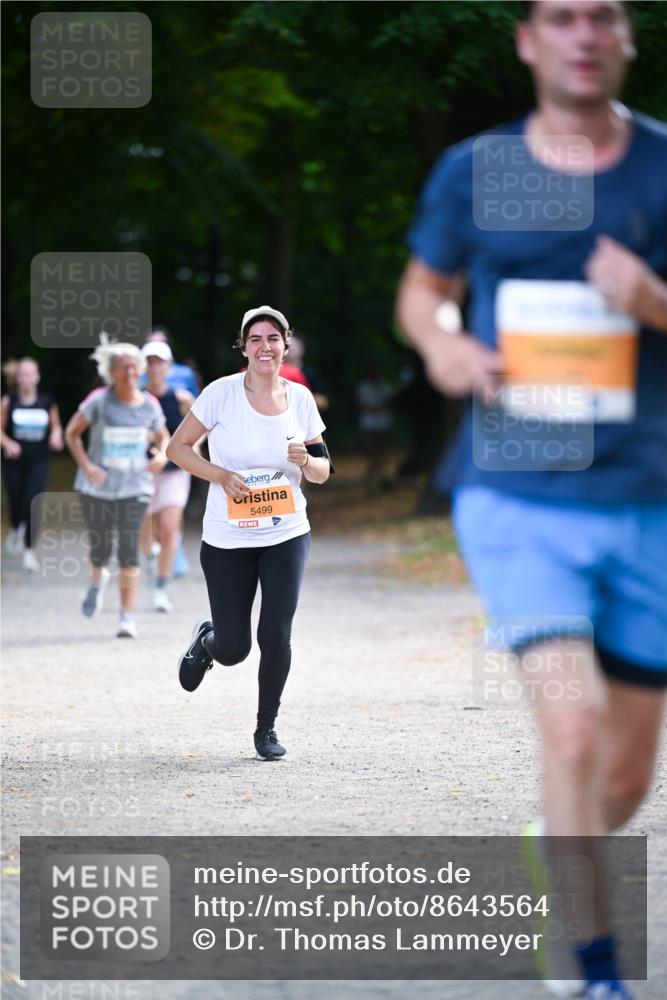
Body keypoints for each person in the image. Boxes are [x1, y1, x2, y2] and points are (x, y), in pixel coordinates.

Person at [396, 3, 666, 998]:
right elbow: (421, 292)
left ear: (627, 40)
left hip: (649, 497)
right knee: (575, 730)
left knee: (622, 779)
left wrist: (653, 303)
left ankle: (560, 842)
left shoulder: (661, 169)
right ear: (527, 42)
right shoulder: (478, 169)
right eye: (561, 17)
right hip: (518, 491)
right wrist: (445, 346)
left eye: (604, 17)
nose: (583, 33)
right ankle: (592, 969)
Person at [167, 306, 332, 760]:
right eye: (255, 338)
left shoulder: (300, 399)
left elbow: (321, 472)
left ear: (285, 344)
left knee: (275, 633)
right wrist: (219, 475)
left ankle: (266, 729)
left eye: (273, 338)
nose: (265, 346)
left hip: (286, 532)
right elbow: (177, 448)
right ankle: (209, 640)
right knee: (235, 649)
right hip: (228, 538)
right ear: (244, 347)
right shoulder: (220, 394)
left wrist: (305, 460)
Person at [65, 338, 169, 638]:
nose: (131, 372)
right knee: (100, 549)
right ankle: (96, 583)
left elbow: (163, 436)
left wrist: (161, 455)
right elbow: (72, 434)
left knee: (128, 552)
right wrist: (87, 466)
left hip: (135, 487)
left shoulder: (149, 404)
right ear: (112, 372)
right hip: (97, 487)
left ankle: (126, 616)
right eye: (124, 368)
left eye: (135, 367)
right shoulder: (99, 401)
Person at [139, 340, 194, 613]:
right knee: (146, 534)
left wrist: (195, 452)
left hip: (174, 472)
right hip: (141, 474)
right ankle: (150, 557)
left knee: (169, 530)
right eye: (149, 362)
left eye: (159, 362)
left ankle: (161, 588)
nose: (154, 367)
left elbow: (200, 430)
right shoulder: (134, 399)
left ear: (168, 366)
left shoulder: (181, 398)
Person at [1, 357, 64, 571]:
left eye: (30, 374)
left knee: (33, 502)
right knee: (16, 501)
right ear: (18, 378)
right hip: (14, 461)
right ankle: (15, 527)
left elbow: (56, 427)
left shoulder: (47, 402)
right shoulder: (8, 401)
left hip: (39, 459)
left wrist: (56, 436)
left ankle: (29, 551)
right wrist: (8, 443)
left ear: (37, 377)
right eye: (23, 374)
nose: (26, 378)